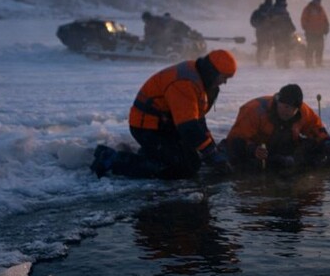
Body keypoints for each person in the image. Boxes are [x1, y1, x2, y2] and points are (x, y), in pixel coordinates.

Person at [90, 49, 237, 179]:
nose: (224, 83)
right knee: (183, 169)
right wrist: (211, 153)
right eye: (224, 78)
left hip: (167, 125)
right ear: (212, 72)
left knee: (193, 162)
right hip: (147, 127)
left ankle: (150, 154)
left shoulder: (201, 79)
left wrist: (211, 148)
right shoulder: (185, 83)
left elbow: (198, 121)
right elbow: (189, 127)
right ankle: (112, 159)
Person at [224, 84, 330, 171]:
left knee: (318, 152)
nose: (288, 112)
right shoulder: (254, 110)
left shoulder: (303, 111)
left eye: (292, 109)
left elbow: (316, 129)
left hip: (284, 147)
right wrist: (252, 149)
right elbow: (235, 139)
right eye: (285, 107)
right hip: (257, 150)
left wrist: (327, 143)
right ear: (278, 102)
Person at [267, 0, 297, 68]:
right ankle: (280, 63)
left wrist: (292, 27)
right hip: (278, 32)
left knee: (287, 47)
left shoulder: (284, 10)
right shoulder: (274, 9)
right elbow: (270, 20)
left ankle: (286, 63)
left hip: (285, 32)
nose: (283, 2)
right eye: (282, 0)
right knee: (279, 48)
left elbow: (288, 20)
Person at [300, 0, 330, 67]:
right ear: (314, 0)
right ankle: (308, 63)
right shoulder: (308, 9)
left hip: (320, 33)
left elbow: (325, 20)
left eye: (319, 1)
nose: (319, 2)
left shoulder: (321, 9)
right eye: (317, 0)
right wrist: (306, 27)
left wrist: (326, 28)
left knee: (320, 48)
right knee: (310, 48)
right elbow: (303, 19)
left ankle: (318, 63)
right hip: (311, 33)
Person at [250, 0, 273, 66]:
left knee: (261, 45)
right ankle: (263, 58)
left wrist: (258, 25)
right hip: (268, 31)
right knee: (267, 44)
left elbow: (252, 21)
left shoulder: (258, 11)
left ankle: (260, 59)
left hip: (261, 31)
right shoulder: (272, 12)